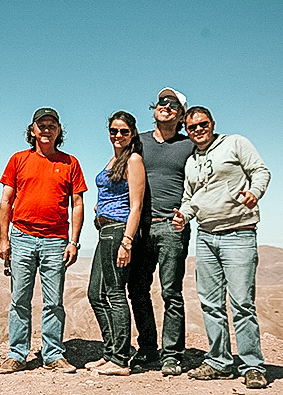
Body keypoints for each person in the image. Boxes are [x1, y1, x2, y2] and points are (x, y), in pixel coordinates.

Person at [173, 106, 270, 389]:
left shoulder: (235, 143)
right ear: (187, 131)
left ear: (212, 123)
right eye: (192, 127)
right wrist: (183, 215)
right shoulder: (191, 161)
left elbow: (260, 171)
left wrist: (254, 193)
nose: (198, 130)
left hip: (238, 233)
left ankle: (252, 365)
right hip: (205, 236)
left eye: (203, 124)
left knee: (241, 304)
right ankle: (220, 362)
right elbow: (191, 197)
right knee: (211, 303)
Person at [0, 107, 87, 374]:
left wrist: (74, 242)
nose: (46, 130)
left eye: (52, 125)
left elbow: (78, 203)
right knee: (19, 299)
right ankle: (17, 353)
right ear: (32, 130)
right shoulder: (18, 159)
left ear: (59, 131)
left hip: (56, 241)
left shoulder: (70, 163)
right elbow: (5, 201)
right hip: (22, 237)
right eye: (41, 125)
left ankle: (53, 354)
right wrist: (4, 239)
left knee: (54, 301)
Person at [128, 87, 194, 376]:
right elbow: (120, 172)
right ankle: (147, 348)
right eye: (161, 101)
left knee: (171, 292)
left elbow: (204, 180)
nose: (164, 106)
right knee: (137, 289)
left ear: (181, 115)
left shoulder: (189, 145)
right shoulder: (137, 141)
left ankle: (172, 354)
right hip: (140, 227)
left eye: (172, 104)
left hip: (172, 227)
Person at [85, 111, 145, 376]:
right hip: (105, 231)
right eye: (113, 130)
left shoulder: (133, 160)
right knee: (95, 294)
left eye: (123, 131)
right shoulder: (114, 159)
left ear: (132, 133)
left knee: (116, 293)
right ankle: (110, 352)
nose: (117, 135)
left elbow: (137, 206)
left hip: (119, 232)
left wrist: (127, 242)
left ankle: (120, 360)